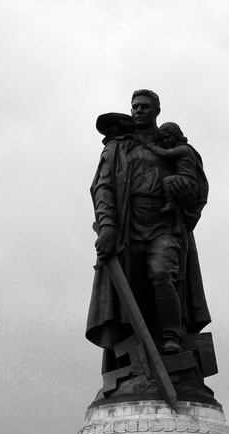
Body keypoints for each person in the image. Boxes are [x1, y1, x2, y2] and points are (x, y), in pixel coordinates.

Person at [87, 89, 211, 365]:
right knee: (131, 292)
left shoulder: (173, 144)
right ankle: (132, 359)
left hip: (163, 224)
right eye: (134, 107)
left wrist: (185, 192)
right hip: (128, 228)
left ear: (157, 110)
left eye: (144, 106)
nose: (138, 111)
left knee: (163, 272)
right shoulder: (117, 147)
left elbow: (196, 187)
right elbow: (103, 188)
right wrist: (107, 227)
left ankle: (171, 337)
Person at [145, 122, 201, 213]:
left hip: (186, 181)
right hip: (185, 180)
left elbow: (166, 153)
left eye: (167, 137)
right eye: (162, 139)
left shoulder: (183, 149)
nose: (165, 141)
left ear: (177, 136)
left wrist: (152, 147)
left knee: (167, 181)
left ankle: (170, 203)